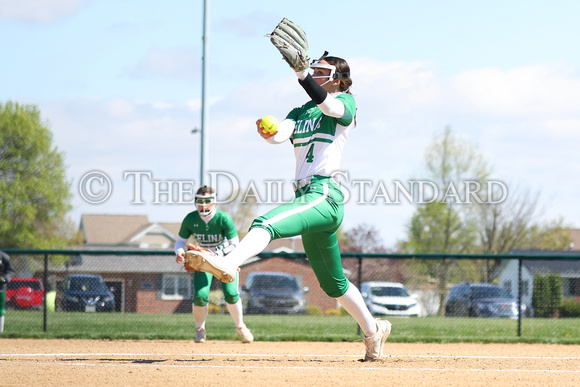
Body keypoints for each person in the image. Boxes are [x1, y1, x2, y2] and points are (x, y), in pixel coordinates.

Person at [187, 53, 392, 361]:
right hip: (307, 200)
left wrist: (302, 76)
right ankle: (373, 331)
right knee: (333, 284)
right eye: (313, 68)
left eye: (321, 70)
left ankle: (229, 262)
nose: (314, 72)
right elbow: (281, 134)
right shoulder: (300, 110)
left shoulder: (345, 102)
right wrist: (269, 133)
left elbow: (330, 106)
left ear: (337, 79)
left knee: (265, 223)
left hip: (324, 193)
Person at [174, 185, 253, 344]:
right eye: (200, 202)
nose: (203, 206)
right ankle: (200, 329)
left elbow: (234, 244)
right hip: (203, 261)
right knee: (200, 296)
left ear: (215, 202)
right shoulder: (191, 219)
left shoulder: (223, 218)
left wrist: (217, 254)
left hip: (225, 260)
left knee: (231, 294)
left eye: (207, 201)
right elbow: (180, 241)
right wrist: (179, 252)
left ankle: (240, 326)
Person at [0, 250, 15, 333]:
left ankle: (0, 332)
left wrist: (4, 278)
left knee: (0, 310)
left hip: (1, 288)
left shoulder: (4, 257)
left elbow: (10, 271)